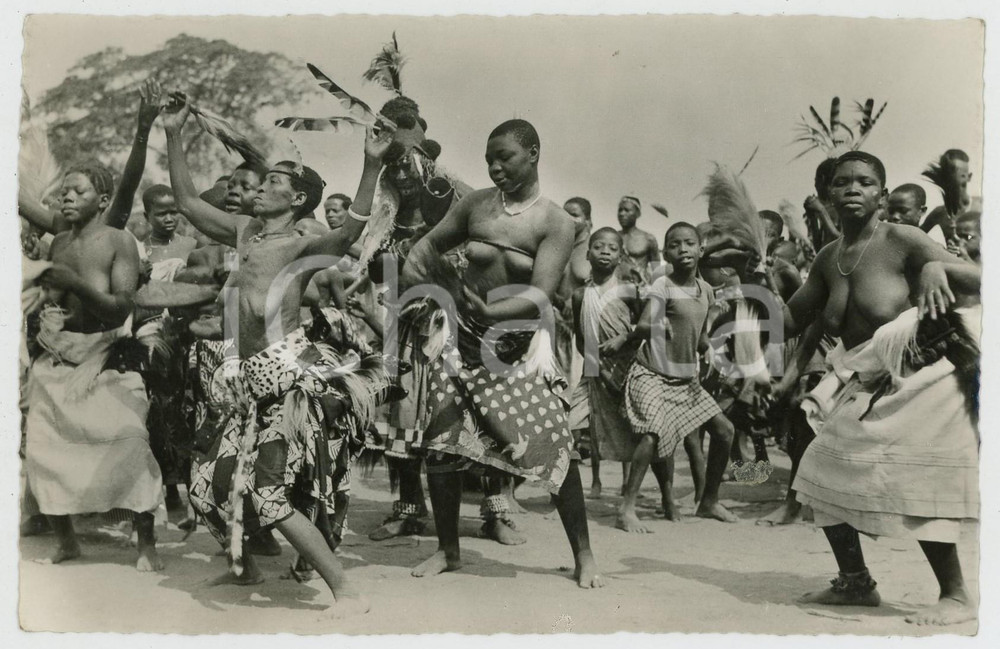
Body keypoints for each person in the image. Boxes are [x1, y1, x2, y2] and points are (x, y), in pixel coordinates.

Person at [163, 97, 390, 616]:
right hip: (241, 379)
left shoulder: (300, 246)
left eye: (271, 184)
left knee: (269, 495)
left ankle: (345, 588)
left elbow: (351, 230)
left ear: (298, 199)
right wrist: (174, 133)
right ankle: (245, 567)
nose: (258, 187)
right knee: (207, 486)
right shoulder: (245, 232)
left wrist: (371, 165)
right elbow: (186, 202)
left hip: (284, 380)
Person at [398, 118, 603, 588]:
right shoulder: (474, 206)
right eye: (489, 158)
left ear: (533, 153)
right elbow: (427, 246)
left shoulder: (556, 221)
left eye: (504, 157)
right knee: (442, 445)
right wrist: (422, 280)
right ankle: (448, 552)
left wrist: (490, 309)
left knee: (553, 446)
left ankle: (585, 556)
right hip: (458, 339)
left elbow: (540, 294)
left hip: (513, 344)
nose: (494, 167)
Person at [778, 151, 980, 626]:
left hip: (922, 379)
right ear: (829, 194)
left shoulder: (903, 239)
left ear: (882, 196)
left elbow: (981, 278)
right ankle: (855, 582)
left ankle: (955, 595)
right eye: (843, 182)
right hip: (863, 383)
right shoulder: (830, 258)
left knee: (917, 481)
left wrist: (937, 268)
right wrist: (743, 308)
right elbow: (791, 318)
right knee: (820, 470)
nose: (853, 189)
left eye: (866, 182)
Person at [23, 162, 164, 571]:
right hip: (59, 357)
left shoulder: (119, 240)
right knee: (46, 450)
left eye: (77, 191)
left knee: (130, 441)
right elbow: (60, 298)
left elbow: (122, 305)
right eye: (64, 191)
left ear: (102, 201)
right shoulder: (59, 242)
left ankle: (146, 542)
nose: (66, 197)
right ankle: (66, 541)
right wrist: (56, 314)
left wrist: (75, 284)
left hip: (107, 356)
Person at [618, 222, 737, 532]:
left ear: (700, 250)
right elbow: (643, 325)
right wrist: (659, 325)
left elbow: (697, 339)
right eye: (674, 244)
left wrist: (708, 345)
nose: (682, 249)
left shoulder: (707, 290)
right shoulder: (662, 285)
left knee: (724, 431)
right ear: (666, 253)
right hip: (652, 374)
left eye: (688, 243)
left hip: (686, 382)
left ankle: (708, 501)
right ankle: (627, 507)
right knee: (652, 433)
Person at [570, 228, 642, 500]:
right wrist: (593, 361)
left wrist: (624, 339)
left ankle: (627, 484)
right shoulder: (579, 295)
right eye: (598, 247)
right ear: (587, 254)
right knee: (575, 427)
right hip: (592, 372)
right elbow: (579, 337)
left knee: (627, 425)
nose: (605, 252)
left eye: (612, 248)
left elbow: (642, 329)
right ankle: (588, 484)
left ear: (621, 256)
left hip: (624, 370)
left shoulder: (628, 290)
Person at [138, 184, 198, 282]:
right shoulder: (141, 251)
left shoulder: (192, 245)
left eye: (174, 212)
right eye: (161, 214)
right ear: (147, 216)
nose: (169, 219)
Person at [921, 149, 981, 245]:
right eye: (950, 178)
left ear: (969, 177)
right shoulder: (939, 213)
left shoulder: (981, 207)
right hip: (951, 259)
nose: (956, 189)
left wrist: (968, 239)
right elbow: (918, 238)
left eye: (961, 177)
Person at [616, 196, 662, 284]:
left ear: (638, 214)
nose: (622, 213)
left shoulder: (648, 239)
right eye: (620, 210)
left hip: (639, 289)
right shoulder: (612, 237)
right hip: (615, 288)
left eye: (627, 210)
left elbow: (657, 270)